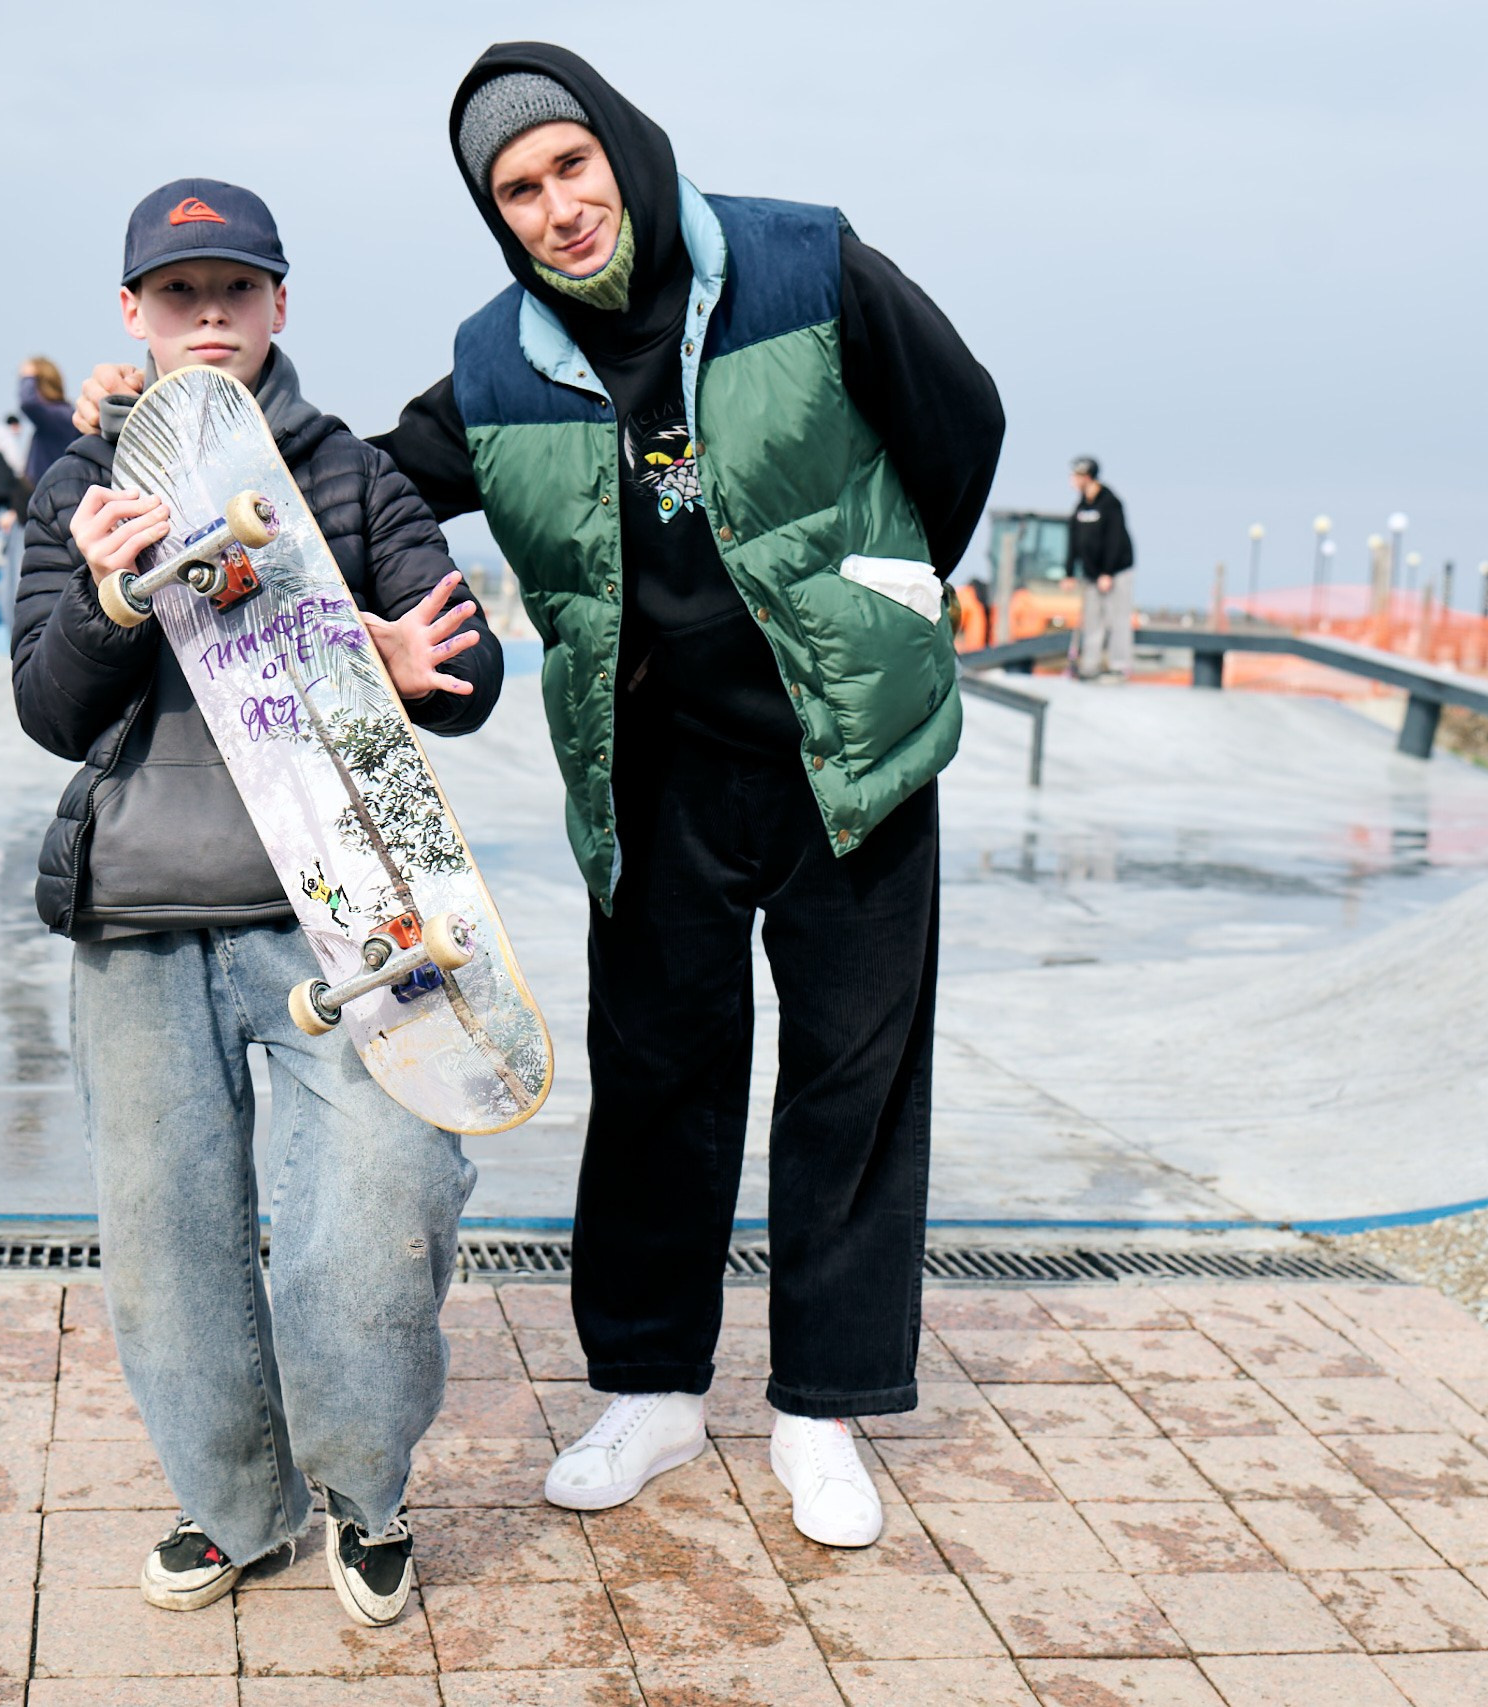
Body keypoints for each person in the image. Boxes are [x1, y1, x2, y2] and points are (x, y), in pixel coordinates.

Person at [350, 46, 1000, 1547]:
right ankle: (650, 1385)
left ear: (624, 151)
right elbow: (378, 483)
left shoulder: (802, 261)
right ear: (496, 215)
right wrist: (209, 432)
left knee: (853, 1074)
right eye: (520, 191)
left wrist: (886, 593)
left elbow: (958, 418)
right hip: (656, 769)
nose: (559, 208)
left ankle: (824, 1404)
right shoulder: (501, 361)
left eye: (572, 166)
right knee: (657, 1081)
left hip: (848, 752)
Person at [9, 177, 504, 1631]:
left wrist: (411, 671)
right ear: (134, 315)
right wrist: (107, 603)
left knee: (380, 1210)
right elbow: (46, 705)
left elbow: (462, 670)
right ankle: (236, 1506)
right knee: (169, 1244)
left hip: (345, 918)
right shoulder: (83, 483)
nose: (208, 316)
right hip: (143, 919)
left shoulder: (350, 477)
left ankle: (361, 1489)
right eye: (180, 295)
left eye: (236, 290)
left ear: (280, 303)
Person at [1070, 456, 1134, 680]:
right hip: (1091, 574)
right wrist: (1069, 572)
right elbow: (1074, 540)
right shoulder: (1080, 506)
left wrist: (1107, 572)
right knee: (1092, 620)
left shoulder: (1110, 502)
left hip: (1115, 571)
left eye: (1076, 476)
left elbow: (1115, 539)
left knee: (1117, 619)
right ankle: (1090, 664)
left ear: (1086, 477)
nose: (1072, 480)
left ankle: (1119, 666)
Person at [0, 413, 30, 625]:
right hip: (6, 491)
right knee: (10, 521)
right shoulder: (9, 441)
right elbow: (18, 464)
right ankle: (3, 548)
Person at [17, 358, 73, 490]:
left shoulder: (59, 416)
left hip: (48, 491)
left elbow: (29, 403)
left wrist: (28, 376)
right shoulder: (63, 414)